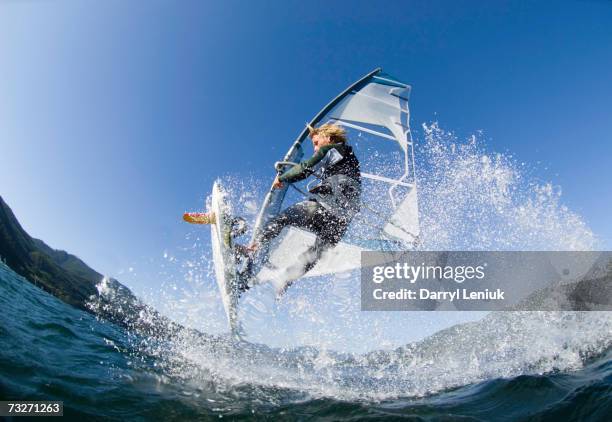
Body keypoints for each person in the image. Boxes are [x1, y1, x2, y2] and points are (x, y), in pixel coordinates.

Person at [243, 123, 361, 290]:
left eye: (316, 142)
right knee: (316, 253)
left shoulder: (330, 149)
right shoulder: (350, 158)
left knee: (284, 218)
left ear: (328, 138)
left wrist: (283, 178)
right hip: (341, 221)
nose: (315, 148)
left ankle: (252, 249)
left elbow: (306, 168)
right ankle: (285, 280)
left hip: (324, 208)